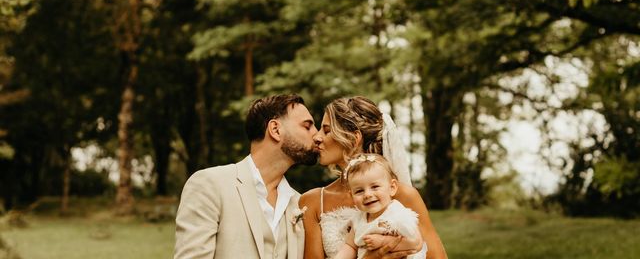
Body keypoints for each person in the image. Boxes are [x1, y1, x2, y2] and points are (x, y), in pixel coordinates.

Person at [299, 96, 447, 259]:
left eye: (326, 131)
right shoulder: (313, 202)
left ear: (354, 138)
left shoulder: (403, 195)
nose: (317, 138)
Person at [174, 93, 319, 259]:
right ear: (275, 130)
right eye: (307, 126)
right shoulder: (210, 185)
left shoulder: (300, 203)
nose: (317, 135)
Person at [334, 153, 424, 259]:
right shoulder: (358, 220)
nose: (367, 194)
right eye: (359, 191)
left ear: (392, 187)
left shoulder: (397, 212)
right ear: (351, 195)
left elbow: (416, 243)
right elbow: (350, 247)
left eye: (375, 186)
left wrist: (383, 241)